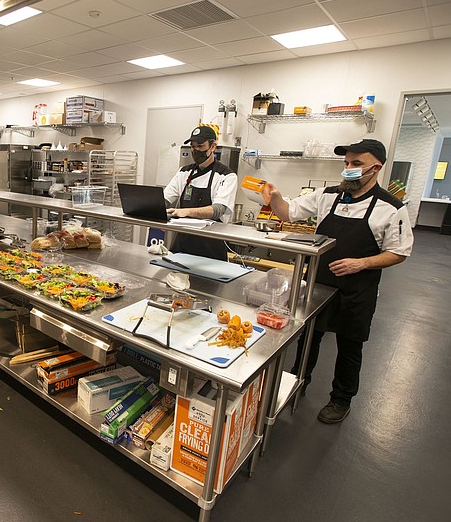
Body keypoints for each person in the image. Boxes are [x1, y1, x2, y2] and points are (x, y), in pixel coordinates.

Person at [262, 139, 413, 424]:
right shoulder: (328, 195)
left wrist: (362, 263)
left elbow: (399, 252)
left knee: (349, 346)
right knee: (309, 338)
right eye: (346, 164)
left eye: (356, 164)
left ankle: (341, 399)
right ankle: (298, 382)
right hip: (320, 283)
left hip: (357, 291)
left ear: (375, 168)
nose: (349, 170)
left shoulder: (390, 208)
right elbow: (288, 212)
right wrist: (276, 197)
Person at [163, 125, 238, 260]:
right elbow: (165, 198)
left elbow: (218, 210)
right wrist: (158, 212)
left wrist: (185, 212)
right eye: (192, 146)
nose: (195, 150)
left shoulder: (226, 176)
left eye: (200, 146)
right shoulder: (184, 172)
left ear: (213, 146)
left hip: (210, 249)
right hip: (182, 245)